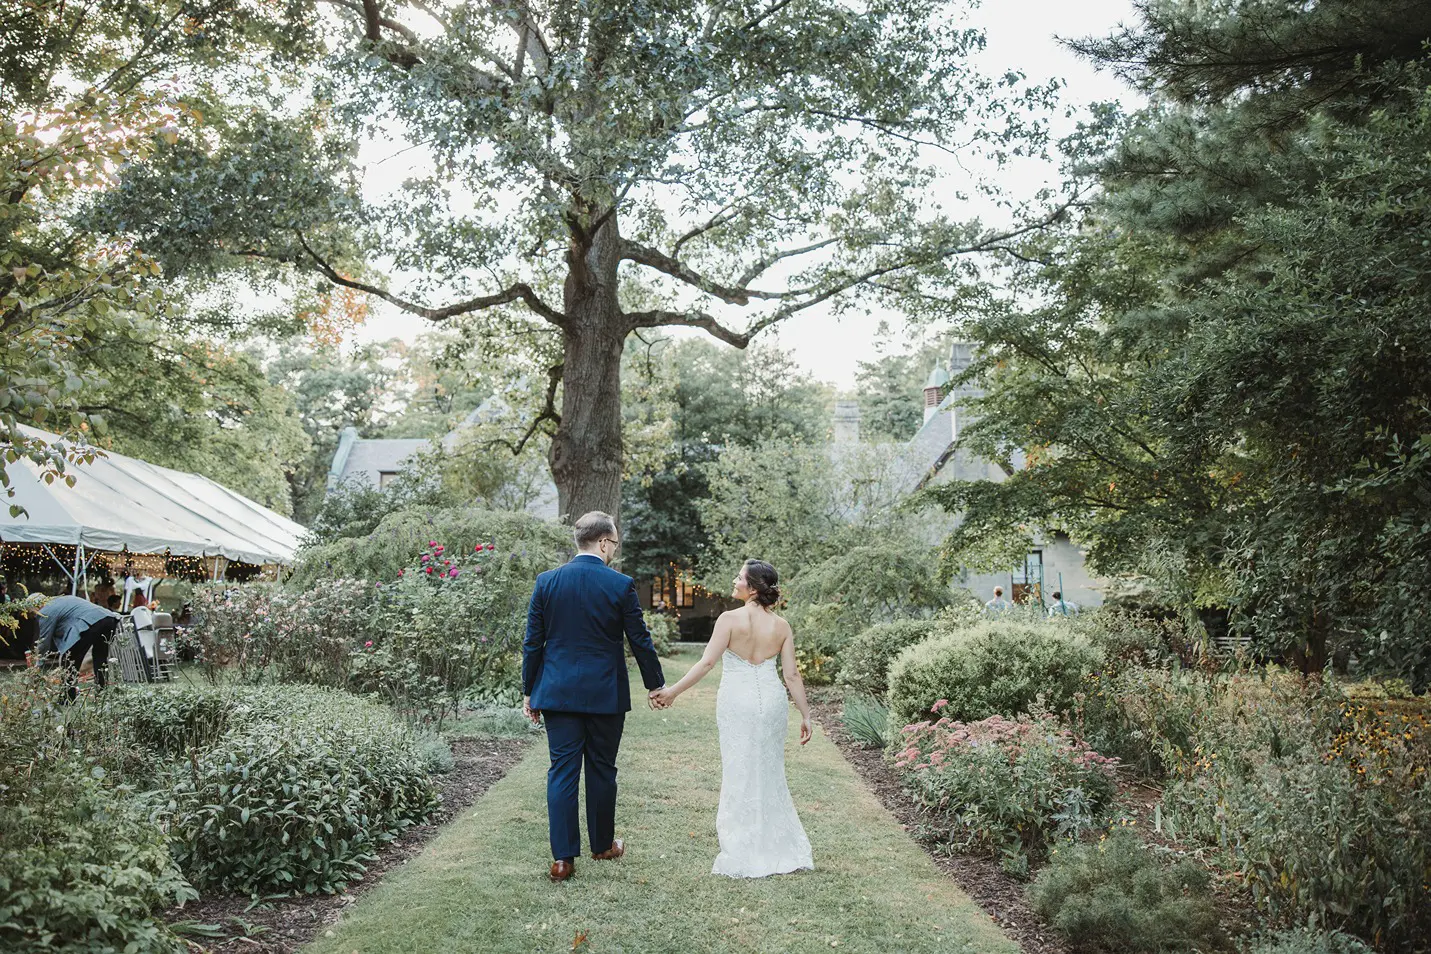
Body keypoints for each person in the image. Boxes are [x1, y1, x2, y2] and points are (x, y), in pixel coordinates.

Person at [522, 511, 666, 883]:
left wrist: (529, 690)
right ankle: (602, 845)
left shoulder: (547, 582)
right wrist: (655, 683)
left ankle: (562, 860)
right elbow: (640, 639)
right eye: (615, 543)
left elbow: (533, 643)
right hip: (605, 694)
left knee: (562, 771)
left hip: (556, 693)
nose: (614, 550)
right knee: (602, 769)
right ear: (604, 542)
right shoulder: (620, 585)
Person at [652, 559, 815, 879]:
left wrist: (673, 692)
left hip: (737, 703)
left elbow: (706, 664)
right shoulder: (781, 626)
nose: (734, 580)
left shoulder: (729, 620)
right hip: (771, 703)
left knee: (740, 769)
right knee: (769, 770)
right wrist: (806, 715)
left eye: (739, 577)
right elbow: (792, 675)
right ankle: (774, 845)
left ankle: (743, 847)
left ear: (752, 588)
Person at [36, 594, 121, 702]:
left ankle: (68, 697)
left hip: (90, 621)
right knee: (100, 659)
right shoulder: (62, 600)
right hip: (108, 618)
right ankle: (102, 695)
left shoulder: (45, 611)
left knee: (69, 659)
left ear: (37, 606)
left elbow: (43, 642)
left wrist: (39, 665)